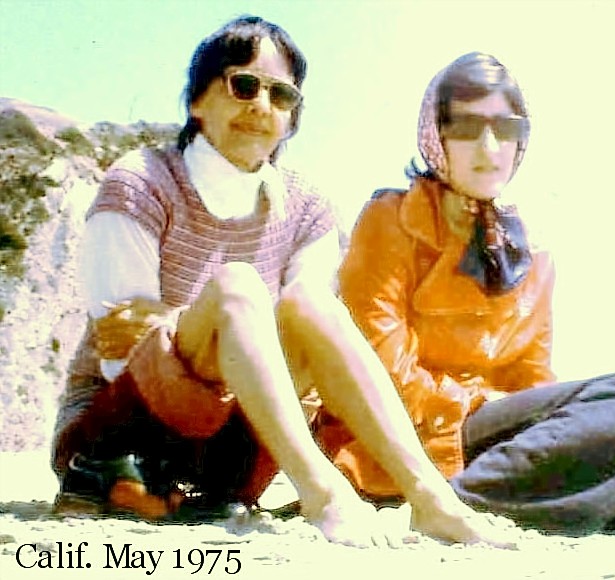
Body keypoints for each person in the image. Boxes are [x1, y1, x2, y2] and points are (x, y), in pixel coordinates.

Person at [51, 16, 518, 548]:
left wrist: (250, 371)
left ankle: (431, 498)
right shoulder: (141, 182)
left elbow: (310, 358)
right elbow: (119, 347)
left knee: (309, 303)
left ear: (293, 118)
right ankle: (324, 492)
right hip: (125, 439)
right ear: (197, 101)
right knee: (237, 287)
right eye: (242, 85)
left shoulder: (307, 208)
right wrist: (227, 334)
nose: (260, 106)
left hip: (236, 451)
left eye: (281, 95)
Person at [330, 52, 615, 538]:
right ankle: (443, 502)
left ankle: (472, 498)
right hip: (410, 431)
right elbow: (377, 365)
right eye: (466, 127)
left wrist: (525, 419)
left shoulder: (531, 248)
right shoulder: (389, 219)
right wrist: (478, 404)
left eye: (506, 129)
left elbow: (533, 375)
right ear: (434, 135)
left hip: (493, 439)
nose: (489, 147)